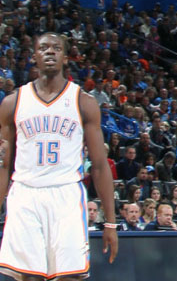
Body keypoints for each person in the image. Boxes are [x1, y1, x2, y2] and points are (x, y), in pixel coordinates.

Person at [0, 33, 118, 278]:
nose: (50, 52)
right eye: (43, 48)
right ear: (34, 57)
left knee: (69, 276)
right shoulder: (12, 103)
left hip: (66, 195)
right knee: (28, 276)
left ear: (65, 58)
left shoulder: (83, 102)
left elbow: (98, 166)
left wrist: (110, 222)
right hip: (25, 193)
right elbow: (3, 165)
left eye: (56, 48)